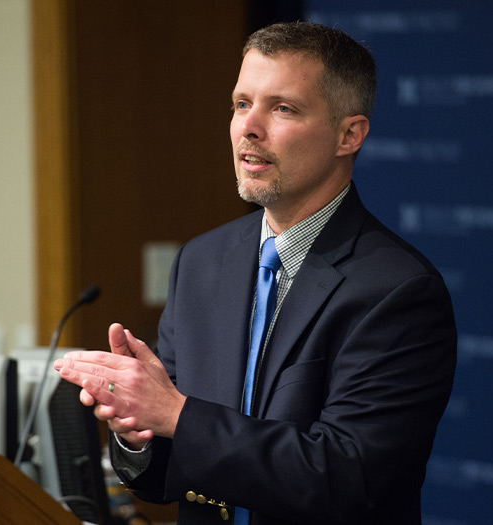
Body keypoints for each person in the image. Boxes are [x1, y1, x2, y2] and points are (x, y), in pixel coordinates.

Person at [55, 21, 456, 525]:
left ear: (349, 134)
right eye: (242, 104)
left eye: (282, 108)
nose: (250, 126)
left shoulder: (397, 290)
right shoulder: (200, 263)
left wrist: (175, 414)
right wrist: (138, 431)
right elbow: (169, 474)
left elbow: (347, 478)